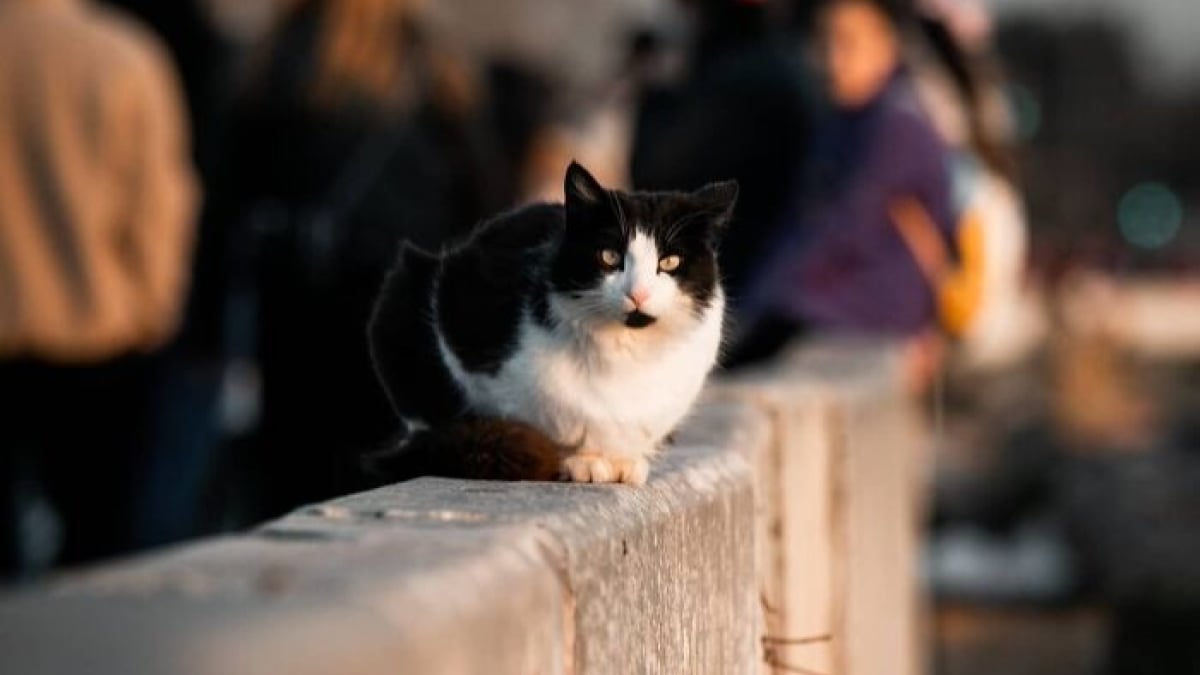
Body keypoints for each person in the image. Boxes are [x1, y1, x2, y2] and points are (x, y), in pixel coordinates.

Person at [209, 0, 504, 521]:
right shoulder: (433, 67)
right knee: (386, 484)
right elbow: (484, 207)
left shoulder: (273, 61)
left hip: (294, 317)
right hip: (402, 321)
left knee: (294, 484)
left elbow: (225, 199)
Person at [0, 0, 198, 574]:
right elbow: (160, 214)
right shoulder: (124, 56)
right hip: (98, 340)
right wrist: (152, 315)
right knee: (100, 551)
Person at [728, 0, 955, 379]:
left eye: (848, 43)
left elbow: (841, 229)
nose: (832, 59)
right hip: (834, 309)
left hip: (868, 313)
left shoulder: (895, 126)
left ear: (888, 45)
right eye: (825, 42)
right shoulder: (844, 120)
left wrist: (756, 303)